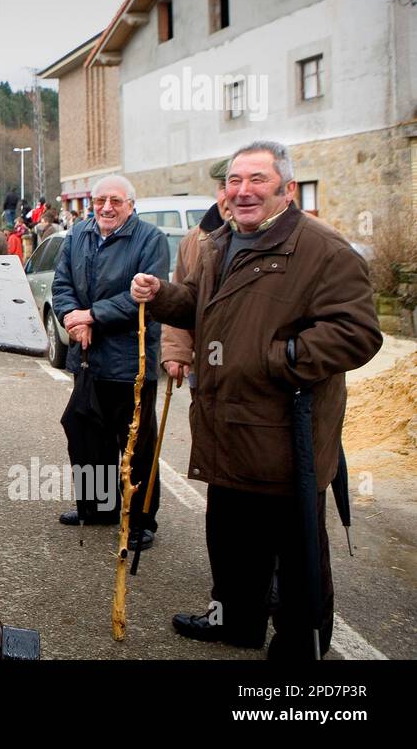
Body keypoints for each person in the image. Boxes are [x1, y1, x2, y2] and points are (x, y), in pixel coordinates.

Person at [131, 141, 382, 658]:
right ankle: (234, 623)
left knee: (298, 563)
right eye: (235, 181)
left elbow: (359, 334)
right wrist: (160, 295)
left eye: (257, 180)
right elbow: (198, 305)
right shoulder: (219, 242)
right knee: (232, 549)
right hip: (226, 431)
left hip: (286, 441)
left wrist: (275, 356)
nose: (243, 191)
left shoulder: (322, 249)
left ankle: (298, 650)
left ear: (286, 190)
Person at [51, 175, 169, 550]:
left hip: (130, 365)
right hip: (87, 360)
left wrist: (92, 316)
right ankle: (98, 506)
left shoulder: (150, 240)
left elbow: (142, 300)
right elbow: (61, 283)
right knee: (87, 437)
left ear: (131, 205)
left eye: (116, 201)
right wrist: (71, 316)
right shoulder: (78, 235)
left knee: (136, 445)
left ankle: (140, 520)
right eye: (100, 200)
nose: (106, 207)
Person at [160, 158, 230, 386]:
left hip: (260, 373)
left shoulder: (301, 238)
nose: (231, 195)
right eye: (224, 186)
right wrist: (176, 352)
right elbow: (182, 297)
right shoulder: (194, 240)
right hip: (205, 363)